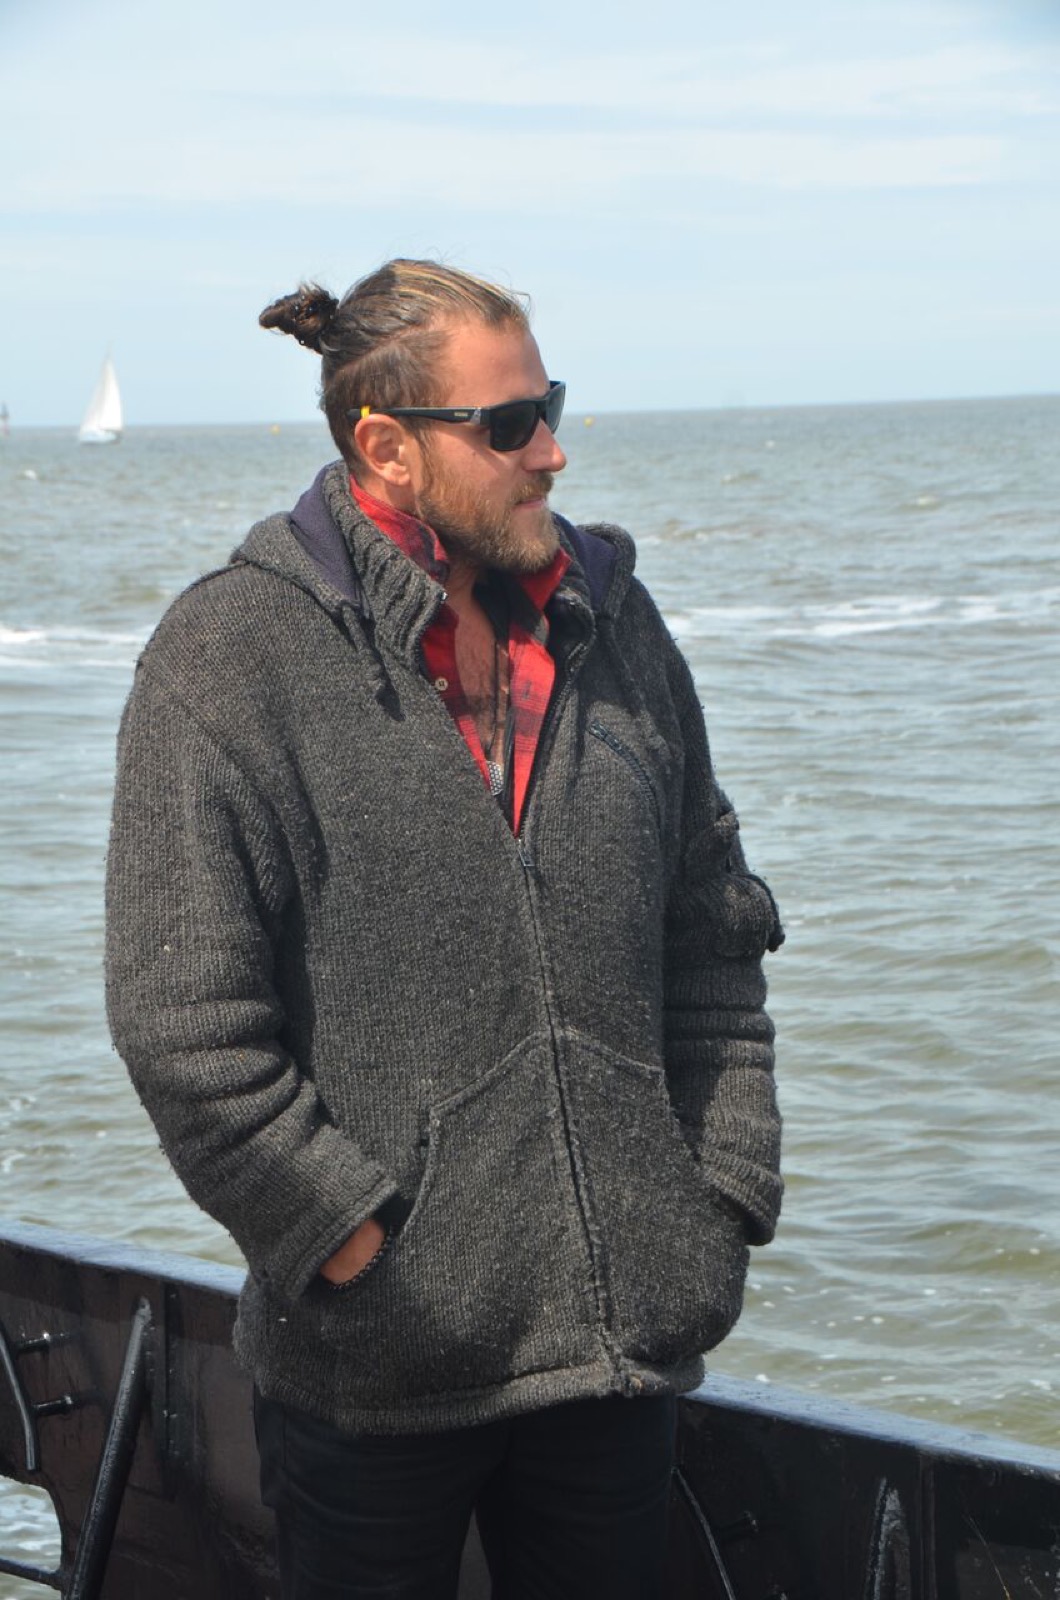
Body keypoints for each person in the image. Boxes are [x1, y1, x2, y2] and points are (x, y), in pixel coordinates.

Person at [105, 259, 784, 1600]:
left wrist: (716, 1197)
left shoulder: (616, 627)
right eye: (511, 423)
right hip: (372, 1386)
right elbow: (181, 1021)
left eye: (554, 405)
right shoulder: (229, 657)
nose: (554, 449)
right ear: (388, 448)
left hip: (614, 1354)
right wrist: (357, 1252)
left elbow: (713, 935)